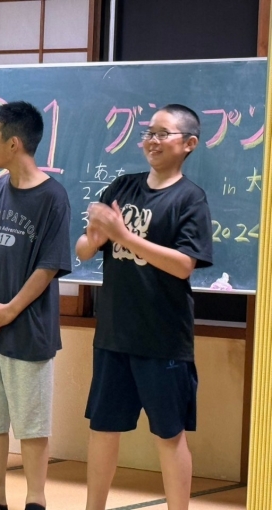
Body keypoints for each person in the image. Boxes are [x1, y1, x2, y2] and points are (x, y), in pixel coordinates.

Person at [75, 104, 213, 510]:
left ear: (189, 144)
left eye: (163, 133)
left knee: (169, 435)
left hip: (163, 338)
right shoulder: (122, 187)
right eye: (149, 132)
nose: (152, 140)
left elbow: (184, 264)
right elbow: (83, 250)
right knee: (103, 428)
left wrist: (124, 236)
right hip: (114, 333)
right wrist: (95, 238)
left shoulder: (190, 198)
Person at [0, 101, 71, 510]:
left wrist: (10, 310)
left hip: (28, 329)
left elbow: (49, 266)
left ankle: (35, 500)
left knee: (31, 422)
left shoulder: (52, 197)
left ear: (13, 143)